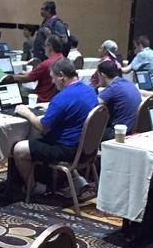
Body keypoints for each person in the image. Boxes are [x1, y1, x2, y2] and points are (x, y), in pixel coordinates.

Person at [10, 59, 96, 196]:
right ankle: (76, 179)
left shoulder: (62, 97)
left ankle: (32, 187)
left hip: (68, 150)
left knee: (19, 149)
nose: (52, 81)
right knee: (38, 136)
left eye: (53, 77)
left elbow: (43, 128)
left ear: (61, 76)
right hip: (87, 149)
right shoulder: (90, 91)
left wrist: (28, 113)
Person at [12, 34, 69, 102]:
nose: (44, 48)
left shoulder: (46, 64)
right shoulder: (65, 61)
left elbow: (27, 78)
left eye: (45, 46)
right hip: (57, 99)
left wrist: (12, 77)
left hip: (41, 99)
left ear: (50, 47)